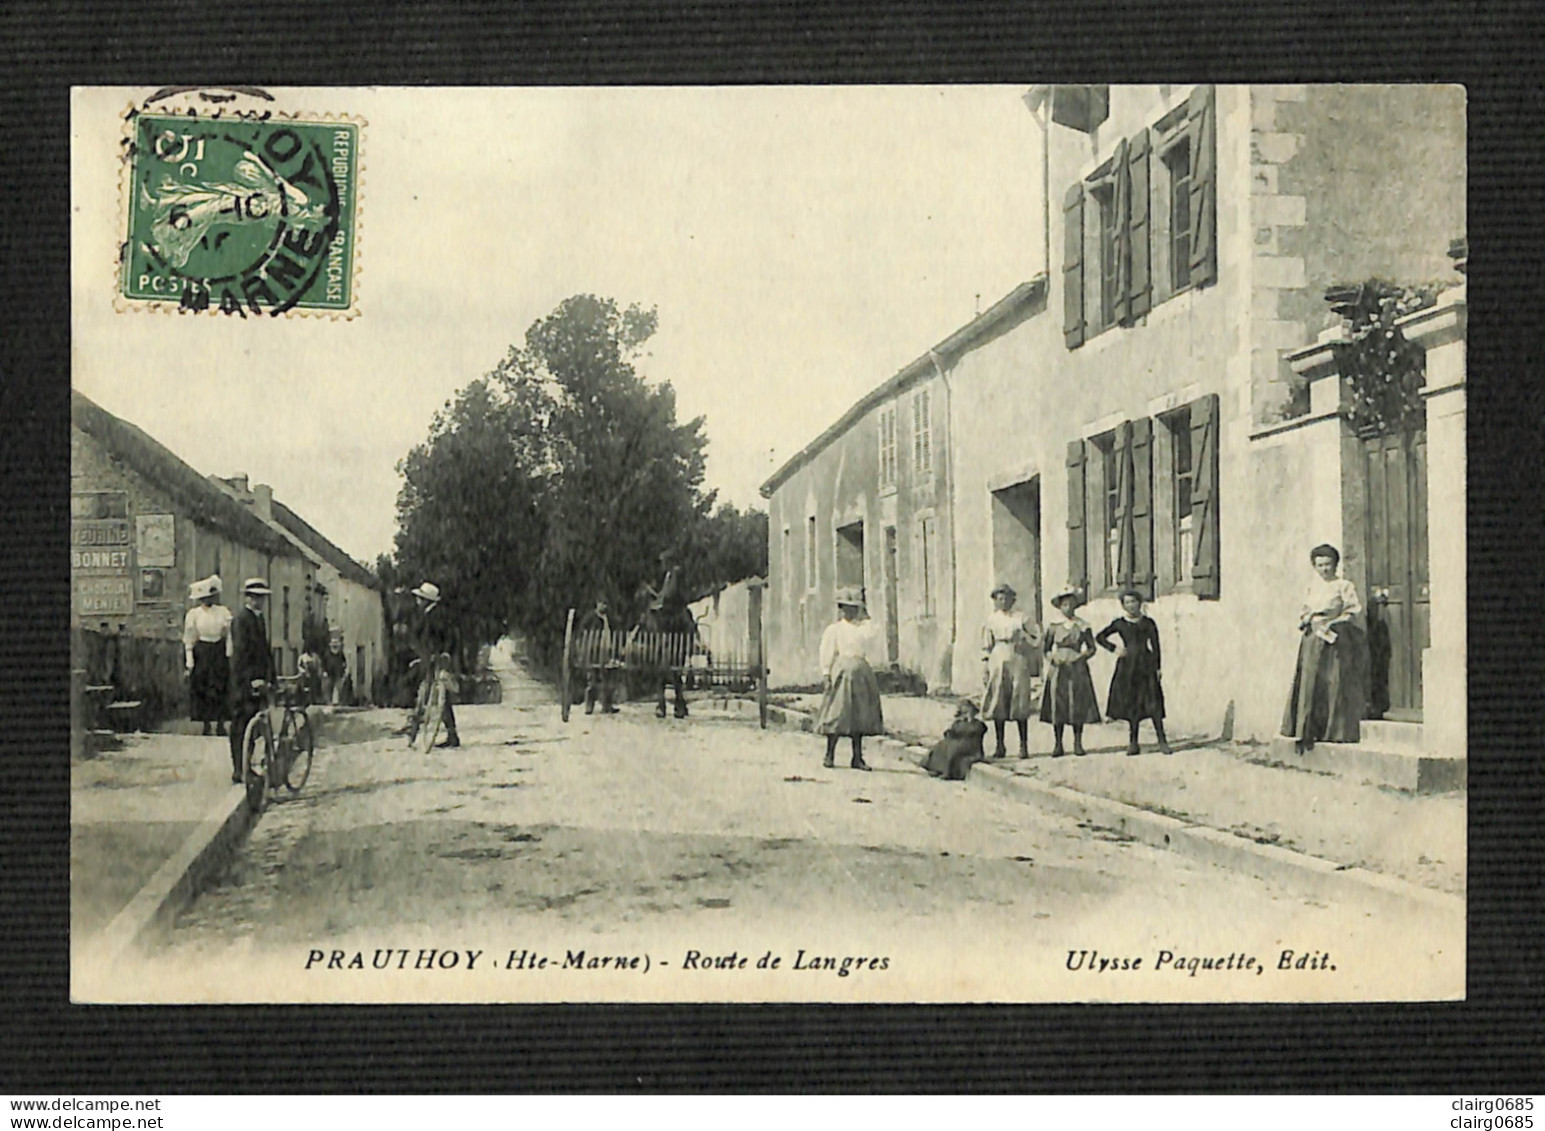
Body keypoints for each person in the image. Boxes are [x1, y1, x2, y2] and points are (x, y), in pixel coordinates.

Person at [1282, 544, 1367, 753]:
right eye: (1320, 565)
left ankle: (1332, 732)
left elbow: (1352, 610)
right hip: (1312, 639)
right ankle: (1307, 730)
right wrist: (1307, 619)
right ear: (1315, 566)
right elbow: (1305, 609)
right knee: (1309, 683)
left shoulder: (1343, 585)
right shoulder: (1313, 586)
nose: (1324, 569)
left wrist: (1333, 623)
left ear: (1335, 564)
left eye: (1328, 564)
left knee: (1332, 682)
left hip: (1333, 639)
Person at [1095, 589, 1172, 756]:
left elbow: (1156, 646)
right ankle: (1133, 742)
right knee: (1132, 704)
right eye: (1127, 602)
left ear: (1140, 603)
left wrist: (1158, 667)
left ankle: (1162, 741)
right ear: (1123, 605)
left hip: (1146, 665)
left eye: (1134, 601)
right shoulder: (1120, 623)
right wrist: (1115, 648)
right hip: (1128, 667)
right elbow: (1100, 637)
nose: (1131, 605)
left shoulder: (1149, 623)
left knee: (1153, 703)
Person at [814, 587, 884, 771]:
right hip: (842, 673)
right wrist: (826, 674)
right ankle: (829, 754)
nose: (850, 611)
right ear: (841, 608)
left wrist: (865, 615)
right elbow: (827, 651)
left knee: (859, 716)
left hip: (861, 673)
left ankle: (857, 757)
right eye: (846, 607)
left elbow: (874, 634)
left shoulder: (863, 629)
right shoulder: (835, 629)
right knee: (838, 713)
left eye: (853, 608)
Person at [1039, 583, 1101, 757]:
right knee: (1058, 704)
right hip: (1059, 668)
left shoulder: (1083, 625)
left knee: (1077, 704)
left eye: (1071, 604)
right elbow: (1045, 649)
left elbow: (1091, 648)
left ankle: (1078, 742)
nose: (1068, 608)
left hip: (1077, 668)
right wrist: (1053, 658)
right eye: (1064, 605)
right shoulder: (1053, 626)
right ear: (1059, 607)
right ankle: (1058, 744)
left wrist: (1081, 656)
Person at [981, 583, 1040, 759]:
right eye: (1000, 598)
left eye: (1007, 598)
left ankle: (1023, 746)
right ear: (995, 601)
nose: (1004, 601)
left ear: (1013, 599)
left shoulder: (1022, 618)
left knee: (1020, 700)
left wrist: (1025, 638)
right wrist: (985, 666)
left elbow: (1036, 640)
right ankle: (1000, 745)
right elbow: (986, 646)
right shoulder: (991, 620)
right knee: (999, 700)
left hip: (1018, 657)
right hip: (998, 658)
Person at [228, 578, 277, 784]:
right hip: (243, 681)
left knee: (254, 724)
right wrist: (249, 681)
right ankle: (239, 770)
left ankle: (248, 767)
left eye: (262, 597)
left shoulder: (259, 619)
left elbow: (265, 651)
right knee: (240, 726)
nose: (258, 601)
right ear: (247, 598)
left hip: (259, 681)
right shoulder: (241, 620)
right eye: (255, 597)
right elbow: (240, 654)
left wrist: (271, 677)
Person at [406, 581, 461, 749]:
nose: (417, 601)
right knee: (435, 696)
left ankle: (415, 731)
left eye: (420, 598)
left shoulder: (436, 616)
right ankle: (450, 733)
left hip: (436, 660)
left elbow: (448, 637)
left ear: (426, 600)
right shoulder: (427, 615)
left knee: (429, 693)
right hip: (430, 659)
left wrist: (443, 653)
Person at [182, 575, 232, 737]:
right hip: (202, 651)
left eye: (211, 597)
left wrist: (228, 654)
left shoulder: (223, 612)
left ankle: (220, 722)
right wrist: (189, 663)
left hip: (218, 650)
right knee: (203, 687)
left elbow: (228, 635)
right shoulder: (194, 614)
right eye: (204, 598)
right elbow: (189, 639)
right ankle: (206, 722)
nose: (208, 600)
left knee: (219, 687)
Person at [646, 549, 691, 719]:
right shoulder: (669, 575)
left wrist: (658, 602)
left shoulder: (676, 574)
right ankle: (673, 704)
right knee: (668, 667)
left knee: (670, 666)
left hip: (673, 625)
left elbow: (670, 596)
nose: (662, 564)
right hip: (670, 625)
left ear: (670, 562)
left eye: (664, 561)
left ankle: (669, 704)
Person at [923, 699, 988, 780]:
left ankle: (948, 773)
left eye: (969, 711)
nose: (968, 713)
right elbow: (952, 731)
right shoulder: (959, 722)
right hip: (961, 743)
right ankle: (937, 769)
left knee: (953, 750)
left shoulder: (978, 724)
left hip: (972, 748)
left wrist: (969, 720)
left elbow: (975, 731)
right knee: (941, 746)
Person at [580, 598, 620, 715]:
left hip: (607, 652)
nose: (603, 606)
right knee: (592, 680)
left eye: (605, 604)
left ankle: (607, 705)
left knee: (608, 679)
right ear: (597, 604)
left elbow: (614, 633)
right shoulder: (590, 618)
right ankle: (589, 706)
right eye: (602, 603)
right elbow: (583, 632)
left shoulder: (609, 619)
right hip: (594, 653)